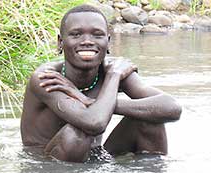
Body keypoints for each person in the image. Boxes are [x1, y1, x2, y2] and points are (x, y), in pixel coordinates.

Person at [21, 4, 182, 162]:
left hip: (96, 157)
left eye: (97, 35)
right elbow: (93, 123)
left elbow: (172, 108)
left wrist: (95, 96)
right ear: (60, 42)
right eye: (76, 34)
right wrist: (105, 94)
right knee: (77, 134)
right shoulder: (47, 77)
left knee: (149, 118)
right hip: (48, 164)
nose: (87, 41)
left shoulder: (115, 70)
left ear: (108, 42)